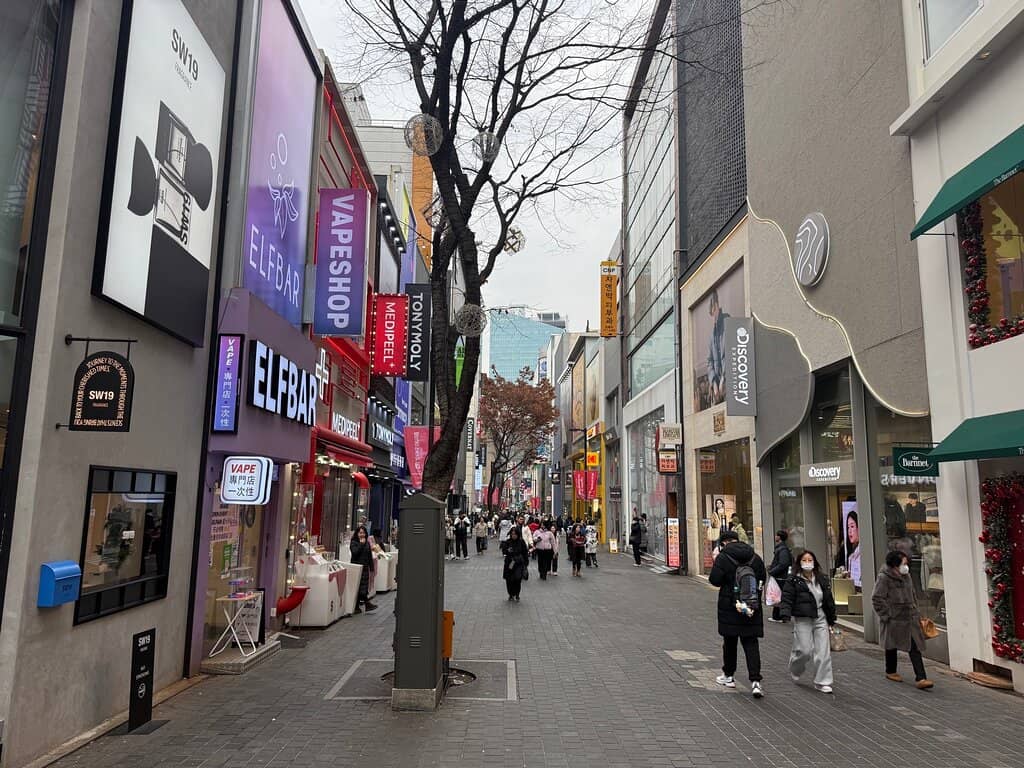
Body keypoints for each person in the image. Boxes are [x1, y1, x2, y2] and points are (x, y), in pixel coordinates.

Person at [708, 529, 767, 698]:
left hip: (730, 606)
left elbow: (714, 580)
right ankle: (755, 681)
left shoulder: (723, 557)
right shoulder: (754, 557)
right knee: (751, 642)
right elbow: (762, 578)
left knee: (730, 642)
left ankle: (729, 676)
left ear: (724, 543)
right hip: (751, 606)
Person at [872, 550, 934, 689]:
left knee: (914, 646)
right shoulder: (884, 578)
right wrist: (887, 614)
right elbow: (877, 598)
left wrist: (917, 612)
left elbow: (913, 595)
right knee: (891, 645)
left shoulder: (907, 576)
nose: (906, 566)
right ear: (895, 564)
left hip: (910, 618)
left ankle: (921, 678)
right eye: (903, 563)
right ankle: (891, 670)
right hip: (894, 619)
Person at [780, 549, 837, 694]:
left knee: (823, 652)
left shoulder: (822, 579)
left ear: (814, 562)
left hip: (820, 617)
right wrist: (785, 613)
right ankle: (795, 668)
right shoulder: (793, 580)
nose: (807, 563)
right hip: (802, 618)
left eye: (810, 560)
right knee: (804, 650)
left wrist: (831, 618)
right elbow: (787, 598)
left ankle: (822, 681)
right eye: (804, 560)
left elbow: (828, 600)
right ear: (799, 563)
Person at [706, 288, 730, 405]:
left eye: (713, 312)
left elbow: (733, 352)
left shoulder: (728, 322)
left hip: (731, 385)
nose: (713, 318)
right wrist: (714, 382)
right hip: (718, 391)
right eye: (711, 315)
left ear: (717, 305)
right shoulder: (712, 336)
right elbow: (709, 362)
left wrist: (724, 378)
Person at [349, 525, 377, 613]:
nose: (362, 534)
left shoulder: (367, 543)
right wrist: (361, 544)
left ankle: (357, 607)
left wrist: (371, 567)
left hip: (365, 568)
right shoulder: (353, 542)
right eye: (360, 533)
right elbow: (355, 553)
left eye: (363, 533)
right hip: (357, 568)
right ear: (357, 533)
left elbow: (369, 556)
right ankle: (367, 604)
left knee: (362, 587)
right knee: (359, 587)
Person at [767, 530, 793, 623]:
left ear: (779, 537)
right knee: (778, 596)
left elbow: (783, 564)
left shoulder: (782, 550)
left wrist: (772, 571)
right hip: (780, 576)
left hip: (781, 577)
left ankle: (780, 616)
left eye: (776, 535)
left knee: (779, 596)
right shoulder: (782, 548)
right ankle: (778, 616)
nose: (775, 537)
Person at [502, 526, 529, 601]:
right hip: (510, 563)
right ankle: (510, 594)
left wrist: (526, 562)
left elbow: (525, 552)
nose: (513, 536)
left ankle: (517, 594)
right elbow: (504, 551)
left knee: (517, 579)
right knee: (509, 580)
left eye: (515, 534)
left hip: (518, 563)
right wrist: (507, 550)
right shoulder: (508, 542)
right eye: (512, 534)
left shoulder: (521, 542)